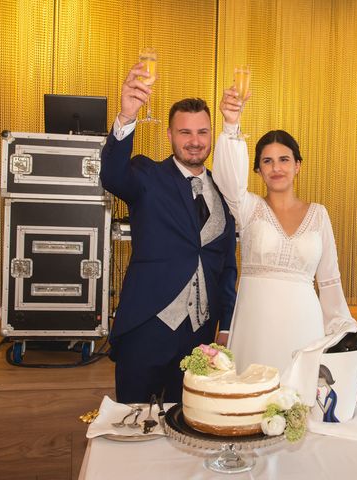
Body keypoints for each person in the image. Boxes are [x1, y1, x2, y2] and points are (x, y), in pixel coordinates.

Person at [100, 62, 237, 403]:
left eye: (202, 132)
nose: (194, 142)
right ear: (170, 135)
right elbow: (113, 176)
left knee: (189, 423)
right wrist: (127, 115)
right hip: (147, 326)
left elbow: (227, 268)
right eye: (185, 133)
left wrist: (227, 327)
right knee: (133, 424)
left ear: (211, 135)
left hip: (200, 337)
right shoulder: (148, 176)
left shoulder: (224, 194)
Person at [212, 87, 356, 374]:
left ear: (298, 166)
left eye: (284, 159)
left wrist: (345, 330)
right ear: (257, 170)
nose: (276, 168)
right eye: (267, 161)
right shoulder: (246, 207)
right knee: (251, 400)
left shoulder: (319, 214)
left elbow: (329, 281)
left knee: (296, 404)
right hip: (256, 324)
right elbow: (227, 179)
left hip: (304, 324)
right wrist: (231, 124)